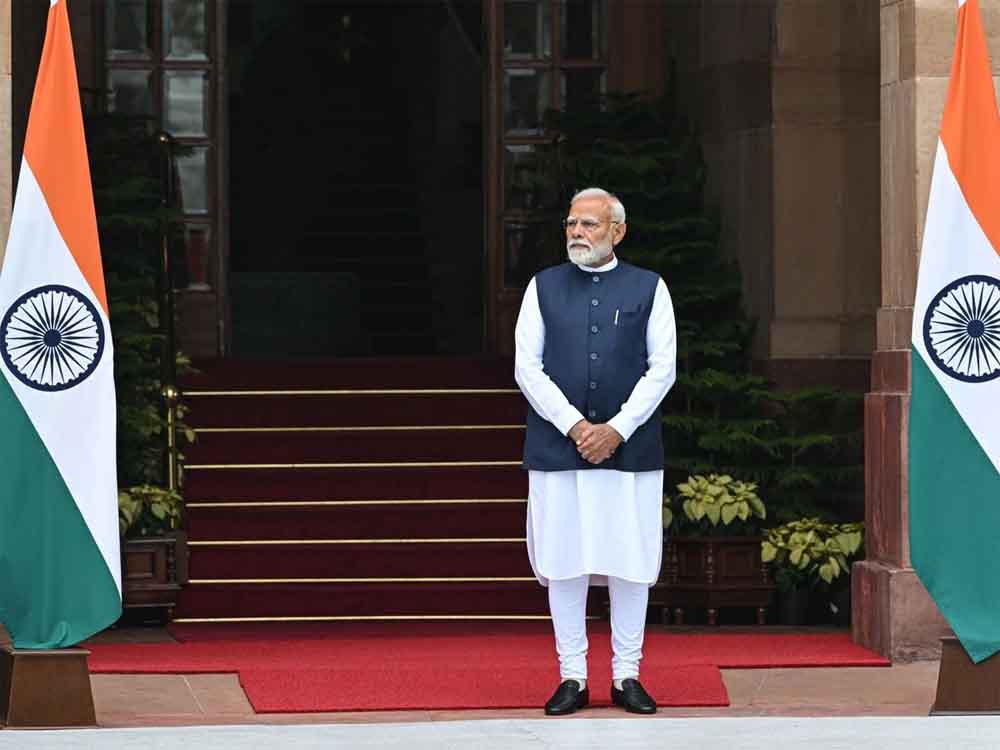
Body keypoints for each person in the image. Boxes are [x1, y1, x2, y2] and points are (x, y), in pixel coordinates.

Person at [513, 187, 677, 715]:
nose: (577, 233)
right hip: (558, 447)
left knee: (630, 561)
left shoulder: (650, 288)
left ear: (617, 231)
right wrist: (577, 426)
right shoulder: (542, 287)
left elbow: (663, 369)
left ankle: (627, 674)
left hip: (630, 450)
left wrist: (617, 430)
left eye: (589, 224)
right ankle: (573, 676)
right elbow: (527, 368)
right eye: (571, 224)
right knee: (564, 561)